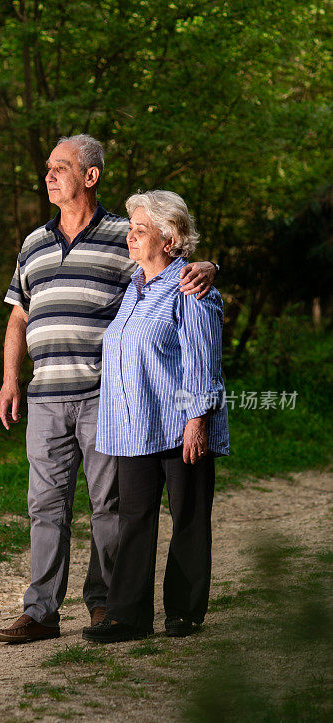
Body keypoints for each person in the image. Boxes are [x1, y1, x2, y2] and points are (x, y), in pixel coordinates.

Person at [0, 136, 218, 644]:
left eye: (61, 167)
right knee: (46, 506)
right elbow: (18, 316)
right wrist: (10, 379)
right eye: (47, 167)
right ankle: (44, 611)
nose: (48, 175)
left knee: (111, 507)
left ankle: (106, 604)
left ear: (90, 177)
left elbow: (175, 262)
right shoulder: (33, 243)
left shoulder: (125, 235)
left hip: (106, 399)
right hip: (46, 395)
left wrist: (209, 267)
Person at [82, 190, 229, 645]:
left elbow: (202, 360)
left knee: (188, 517)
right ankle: (128, 617)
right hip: (135, 428)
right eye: (131, 228)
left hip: (181, 425)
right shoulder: (134, 288)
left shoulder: (190, 287)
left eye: (140, 230)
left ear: (170, 239)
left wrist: (198, 420)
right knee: (134, 520)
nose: (130, 236)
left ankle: (183, 613)